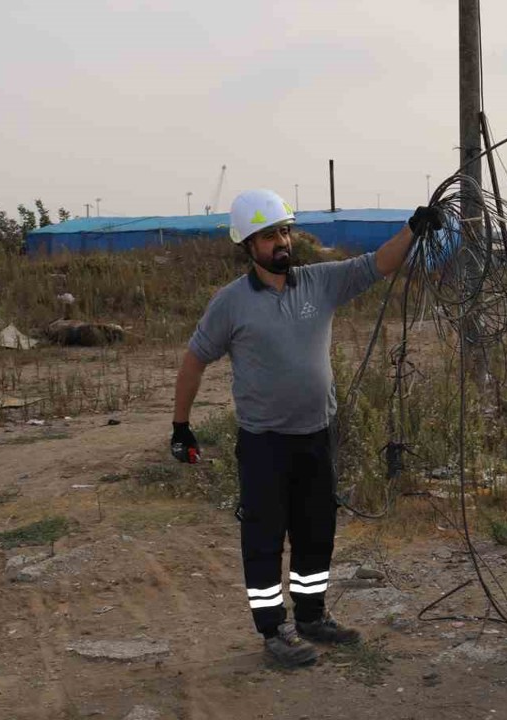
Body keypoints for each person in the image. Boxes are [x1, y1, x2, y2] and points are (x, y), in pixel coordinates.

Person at [169, 189, 443, 666]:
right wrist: (181, 426)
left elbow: (378, 264)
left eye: (284, 231)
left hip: (317, 436)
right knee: (264, 537)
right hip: (264, 444)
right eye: (269, 236)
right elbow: (194, 361)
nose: (281, 242)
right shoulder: (230, 304)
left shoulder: (320, 282)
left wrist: (413, 229)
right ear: (247, 245)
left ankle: (312, 615)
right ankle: (273, 630)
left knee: (317, 530)